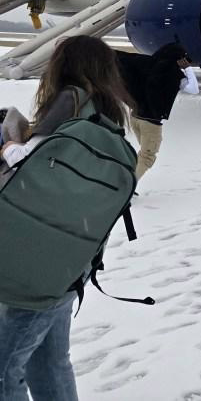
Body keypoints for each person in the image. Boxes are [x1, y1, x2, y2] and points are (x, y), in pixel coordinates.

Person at [0, 35, 131, 400]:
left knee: (4, 368)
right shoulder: (107, 113)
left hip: (34, 262)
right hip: (72, 262)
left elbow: (27, 159)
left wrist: (9, 144)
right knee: (49, 361)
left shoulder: (67, 99)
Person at [116, 42, 196, 180]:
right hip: (151, 122)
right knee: (147, 157)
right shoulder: (174, 75)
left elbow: (123, 58)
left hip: (135, 117)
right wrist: (188, 69)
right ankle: (128, 186)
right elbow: (193, 89)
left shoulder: (145, 63)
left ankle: (126, 177)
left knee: (142, 153)